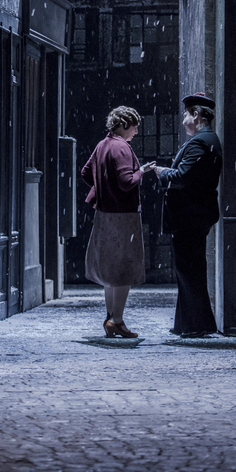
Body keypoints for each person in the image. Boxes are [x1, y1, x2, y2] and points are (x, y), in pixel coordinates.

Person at [153, 93, 222, 338]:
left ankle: (195, 324)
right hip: (195, 215)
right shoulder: (208, 140)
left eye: (186, 114)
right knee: (189, 270)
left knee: (188, 271)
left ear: (197, 115)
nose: (183, 119)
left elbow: (182, 177)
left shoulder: (199, 142)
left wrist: (162, 172)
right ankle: (187, 323)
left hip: (189, 216)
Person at [82, 106, 154, 338]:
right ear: (124, 124)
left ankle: (111, 317)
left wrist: (104, 190)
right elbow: (126, 181)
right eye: (133, 126)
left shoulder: (103, 145)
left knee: (110, 269)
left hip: (104, 214)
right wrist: (141, 171)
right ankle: (118, 320)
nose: (135, 131)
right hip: (124, 216)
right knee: (123, 268)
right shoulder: (121, 147)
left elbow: (86, 173)